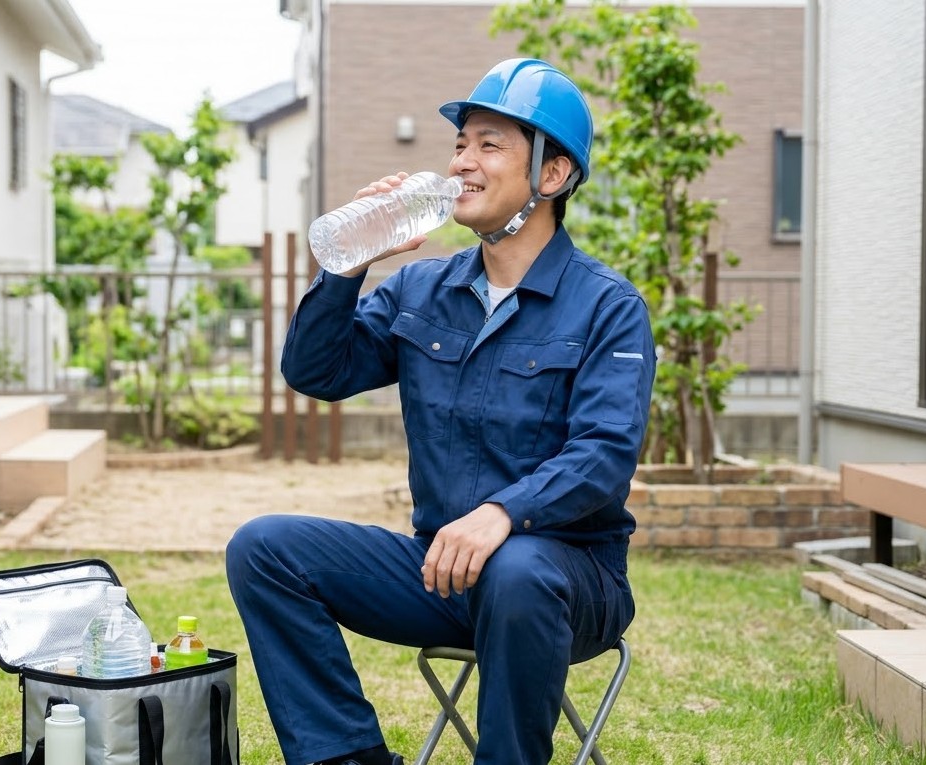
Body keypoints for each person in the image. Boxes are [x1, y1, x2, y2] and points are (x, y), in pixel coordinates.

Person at [226, 58, 655, 765]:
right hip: (443, 571)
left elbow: (603, 456)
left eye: (490, 145)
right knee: (264, 547)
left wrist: (501, 513)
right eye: (460, 145)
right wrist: (350, 263)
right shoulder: (421, 290)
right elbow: (315, 371)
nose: (462, 162)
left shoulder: (607, 305)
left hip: (568, 580)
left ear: (551, 176)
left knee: (517, 568)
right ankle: (347, 757)